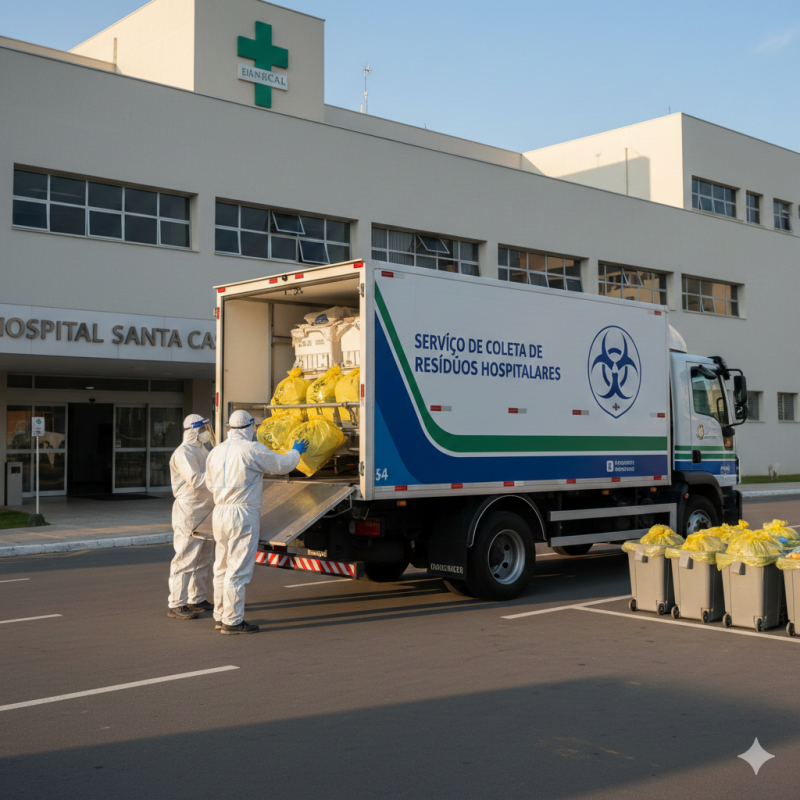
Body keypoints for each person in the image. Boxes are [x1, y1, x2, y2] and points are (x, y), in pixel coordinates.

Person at [205, 408, 309, 634]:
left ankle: (220, 615)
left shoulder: (216, 451)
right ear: (250, 426)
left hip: (220, 512)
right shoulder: (252, 449)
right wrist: (296, 451)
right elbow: (281, 465)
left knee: (221, 566)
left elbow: (209, 483)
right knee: (238, 569)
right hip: (242, 513)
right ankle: (232, 622)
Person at [167, 415, 217, 620]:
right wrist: (221, 475)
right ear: (194, 430)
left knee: (204, 559)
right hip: (189, 512)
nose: (207, 431)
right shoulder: (183, 452)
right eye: (204, 428)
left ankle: (197, 599)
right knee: (185, 558)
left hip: (206, 510)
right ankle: (177, 603)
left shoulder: (203, 450)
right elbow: (196, 480)